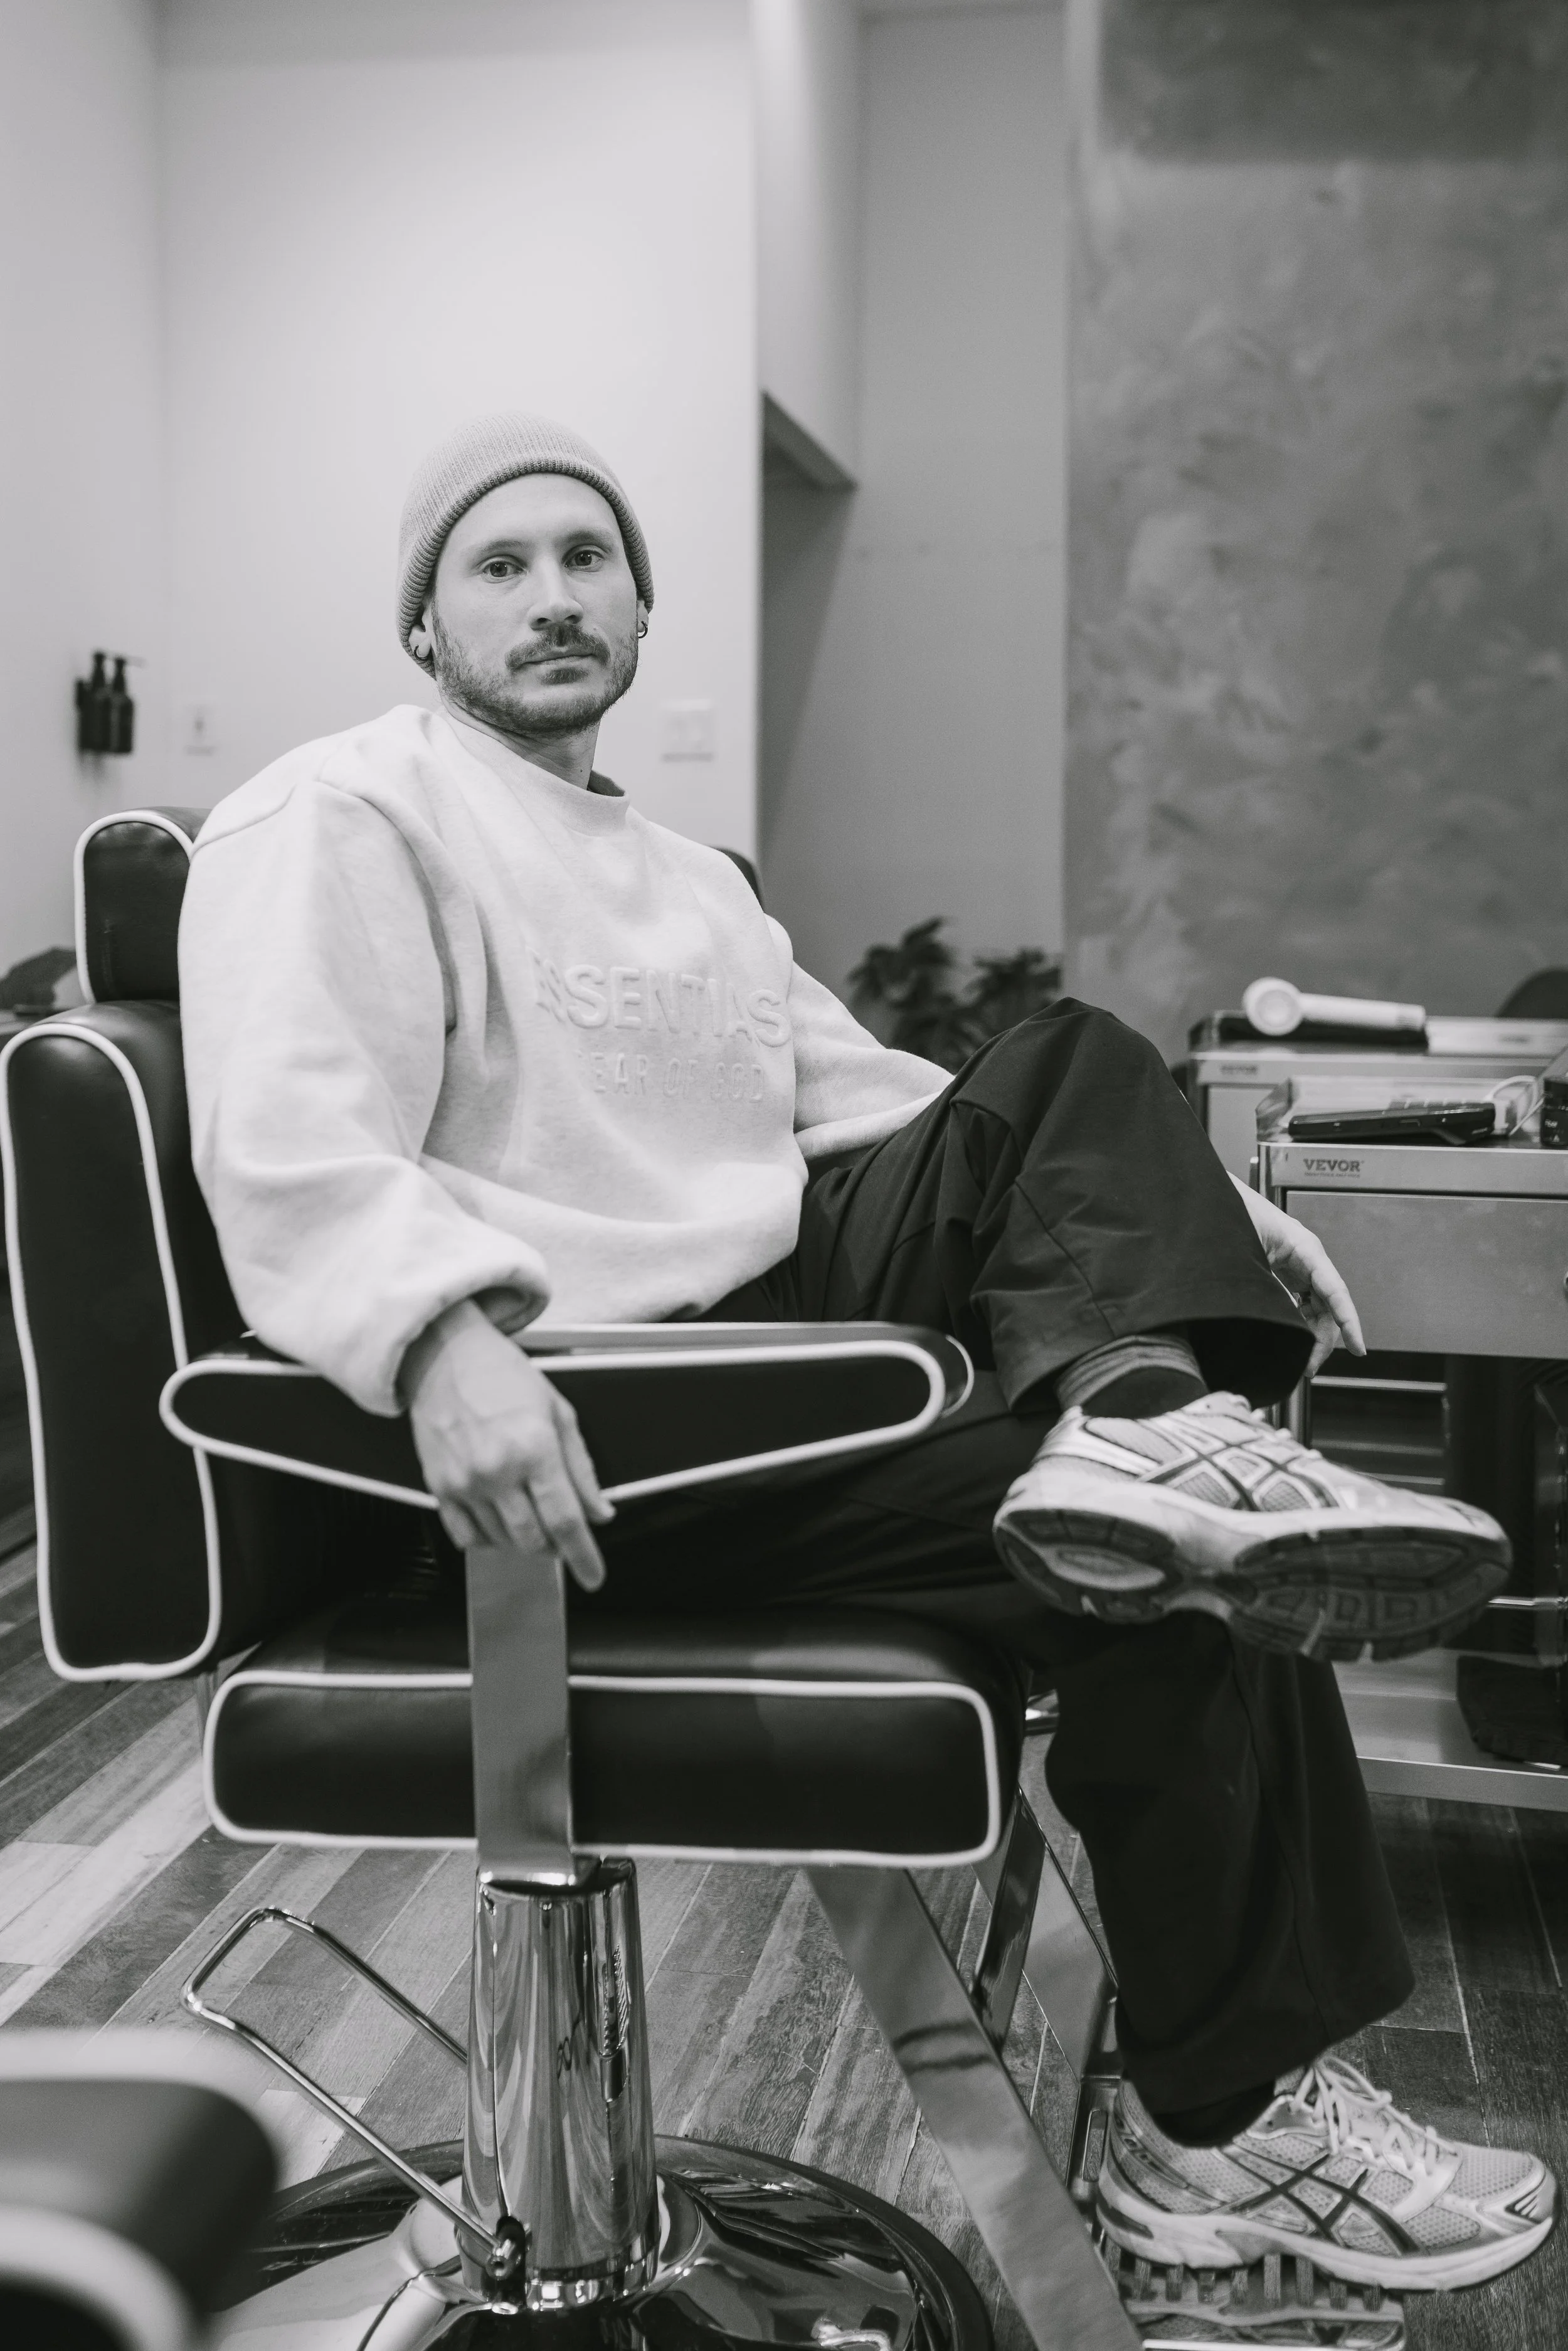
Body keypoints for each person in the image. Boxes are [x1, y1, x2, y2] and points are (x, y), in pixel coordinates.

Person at [179, 413, 1554, 2295]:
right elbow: (291, 1136)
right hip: (585, 1439)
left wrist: (1195, 1240)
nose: (553, 593)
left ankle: (1152, 1430)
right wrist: (436, 1342)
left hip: (776, 1372)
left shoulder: (682, 876)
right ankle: (1225, 2130)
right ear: (422, 626)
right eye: (497, 566)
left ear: (647, 604)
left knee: (1078, 1063)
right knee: (1177, 1577)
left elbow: (903, 1108)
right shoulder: (341, 810)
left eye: (588, 555)